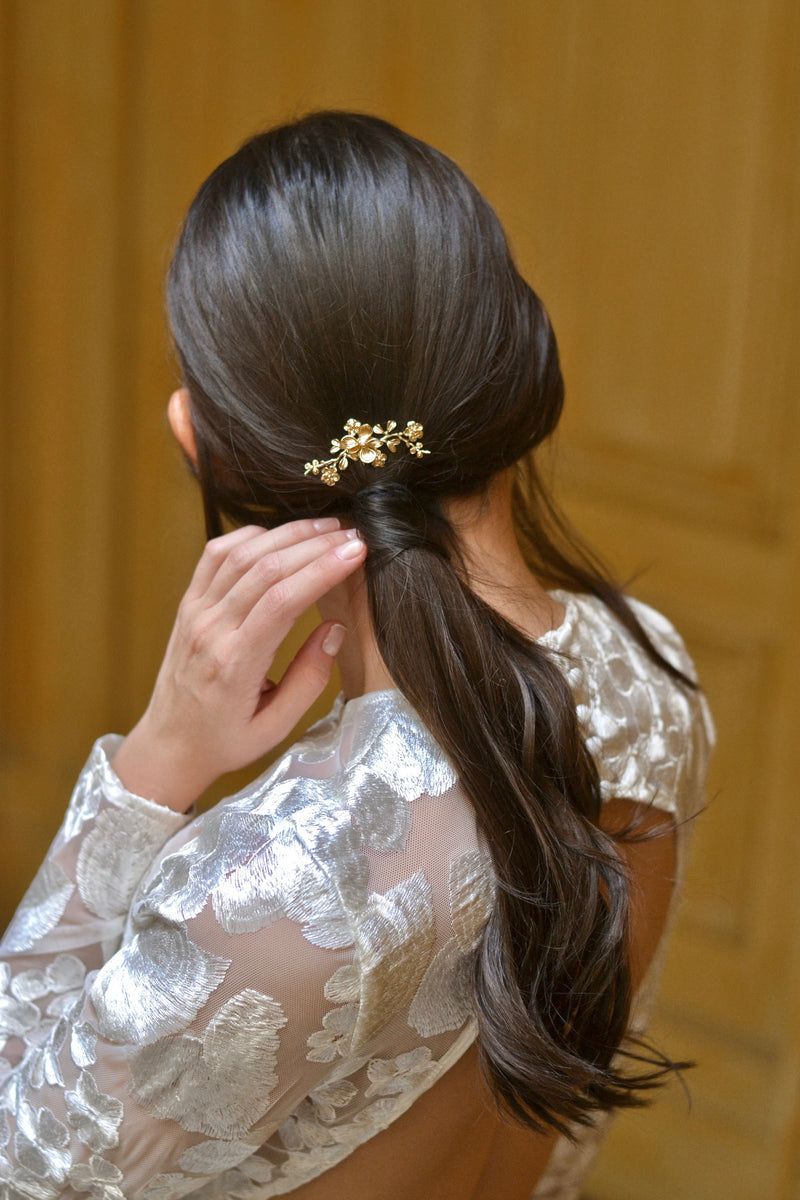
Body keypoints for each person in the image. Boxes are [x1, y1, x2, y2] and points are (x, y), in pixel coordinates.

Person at [0, 112, 714, 1200]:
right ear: (510, 363)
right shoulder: (650, 673)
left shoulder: (273, 888)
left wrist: (150, 769)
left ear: (204, 438)